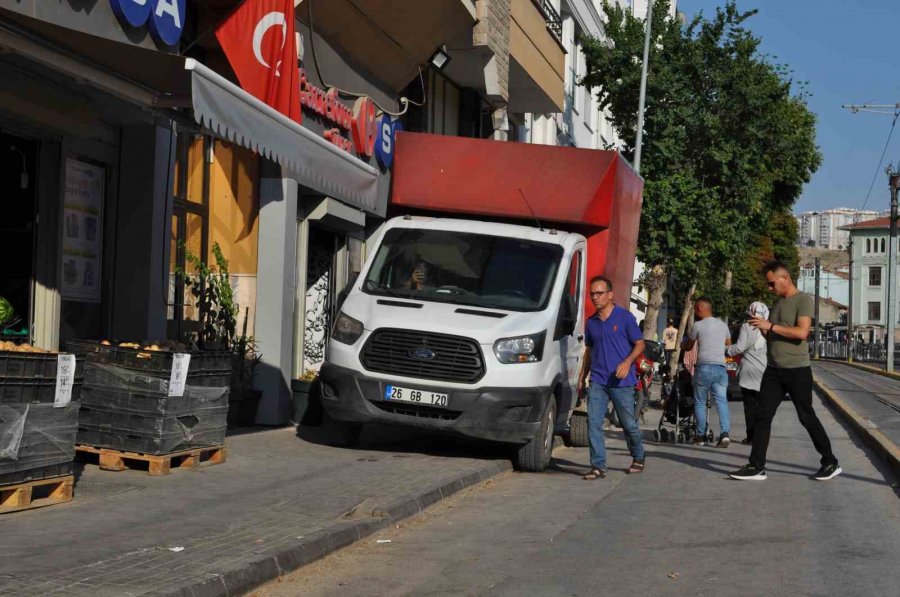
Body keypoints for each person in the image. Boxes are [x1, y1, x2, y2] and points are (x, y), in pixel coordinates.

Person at [731, 261, 841, 481]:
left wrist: (770, 326)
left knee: (806, 416)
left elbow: (801, 333)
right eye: (768, 285)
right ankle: (756, 466)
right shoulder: (777, 303)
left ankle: (830, 461)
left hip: (797, 370)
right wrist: (762, 329)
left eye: (772, 283)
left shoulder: (803, 300)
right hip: (773, 370)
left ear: (785, 278)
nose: (770, 288)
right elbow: (774, 336)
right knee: (762, 416)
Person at [577, 276, 646, 479]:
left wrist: (627, 363)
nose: (595, 297)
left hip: (621, 381)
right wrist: (583, 376)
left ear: (610, 294)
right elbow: (589, 350)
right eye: (592, 294)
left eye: (599, 293)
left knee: (628, 423)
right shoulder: (592, 323)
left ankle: (639, 455)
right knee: (594, 422)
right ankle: (598, 466)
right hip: (598, 380)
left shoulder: (624, 318)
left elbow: (639, 344)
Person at [684, 297, 732, 447]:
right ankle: (724, 434)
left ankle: (701, 435)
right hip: (720, 368)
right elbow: (728, 345)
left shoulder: (697, 326)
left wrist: (682, 344)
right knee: (721, 402)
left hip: (704, 368)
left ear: (699, 309)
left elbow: (688, 346)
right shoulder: (723, 325)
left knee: (699, 402)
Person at [726, 301, 769, 445]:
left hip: (748, 372)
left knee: (750, 407)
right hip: (764, 372)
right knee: (763, 408)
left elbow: (739, 347)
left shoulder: (746, 327)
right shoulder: (769, 327)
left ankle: (751, 437)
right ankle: (762, 436)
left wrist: (726, 350)